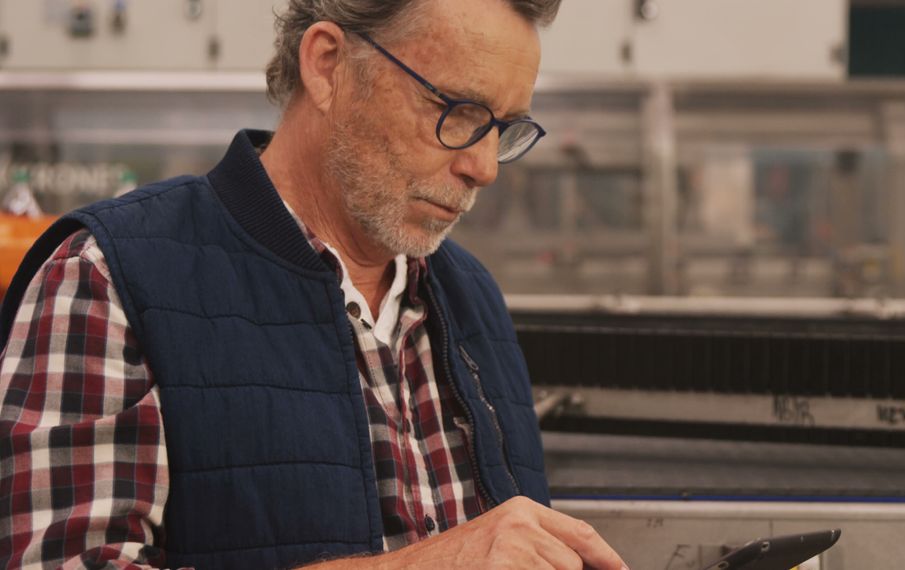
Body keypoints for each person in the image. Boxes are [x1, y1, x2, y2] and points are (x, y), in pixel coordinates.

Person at [0, 0, 627, 568]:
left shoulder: (472, 297)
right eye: (458, 112)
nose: (484, 167)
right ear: (328, 65)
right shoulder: (105, 277)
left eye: (505, 128)